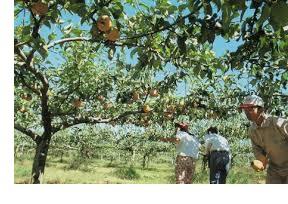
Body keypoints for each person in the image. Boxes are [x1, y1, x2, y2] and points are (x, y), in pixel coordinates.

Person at [239, 95, 288, 184]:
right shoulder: (252, 131)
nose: (246, 112)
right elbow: (259, 152)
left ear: (261, 110)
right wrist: (260, 163)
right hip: (274, 170)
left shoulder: (277, 123)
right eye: (245, 109)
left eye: (250, 109)